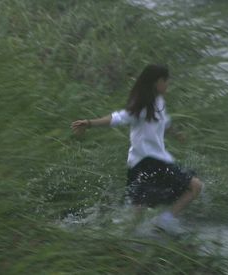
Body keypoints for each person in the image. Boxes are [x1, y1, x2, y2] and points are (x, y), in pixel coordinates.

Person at [71, 64, 202, 234]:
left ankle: (109, 234)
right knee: (195, 186)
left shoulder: (159, 102)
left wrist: (177, 134)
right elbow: (117, 118)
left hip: (144, 164)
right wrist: (89, 123)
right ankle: (163, 222)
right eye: (165, 81)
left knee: (134, 219)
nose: (168, 84)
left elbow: (165, 122)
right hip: (148, 163)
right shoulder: (141, 106)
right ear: (157, 82)